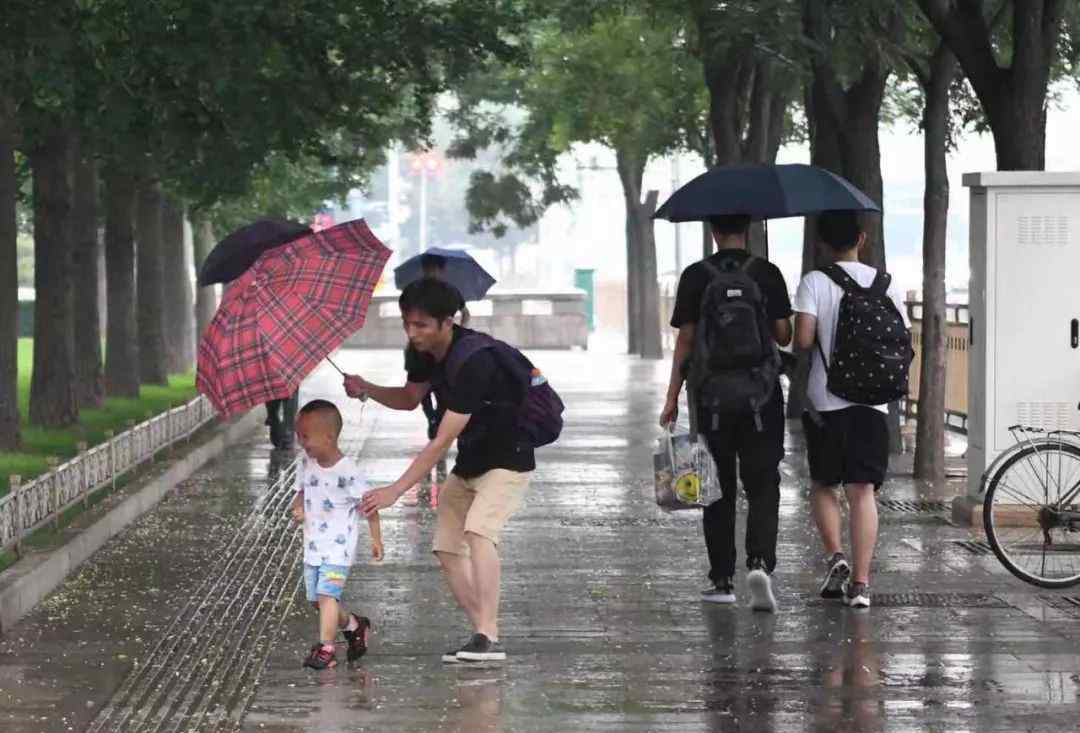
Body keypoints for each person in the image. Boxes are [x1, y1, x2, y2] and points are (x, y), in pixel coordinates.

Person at [344, 278, 533, 663]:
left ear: (448, 322)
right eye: (407, 324)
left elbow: (441, 441)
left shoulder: (473, 360)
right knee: (447, 549)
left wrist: (395, 489)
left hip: (508, 458)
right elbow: (410, 398)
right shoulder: (423, 353)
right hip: (472, 462)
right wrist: (366, 388)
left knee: (479, 531)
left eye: (422, 325)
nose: (412, 333)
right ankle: (483, 634)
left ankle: (487, 635)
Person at [660, 214, 792, 612]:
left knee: (714, 487)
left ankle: (721, 580)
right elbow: (784, 335)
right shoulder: (766, 272)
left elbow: (685, 340)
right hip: (761, 397)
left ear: (713, 232)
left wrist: (671, 397)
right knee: (763, 483)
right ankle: (759, 564)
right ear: (748, 231)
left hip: (710, 397)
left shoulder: (695, 275)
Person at [793, 211, 910, 610]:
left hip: (827, 402)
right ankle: (861, 585)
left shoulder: (815, 281)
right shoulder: (888, 285)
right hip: (874, 403)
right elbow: (903, 342)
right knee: (863, 492)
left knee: (824, 485)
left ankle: (836, 556)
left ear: (822, 243)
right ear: (861, 238)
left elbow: (804, 340)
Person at [290, 399, 384, 670]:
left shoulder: (348, 472)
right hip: (313, 547)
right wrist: (297, 510)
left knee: (327, 596)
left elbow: (370, 505)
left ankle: (327, 648)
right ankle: (354, 625)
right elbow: (301, 494)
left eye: (305, 436)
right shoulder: (305, 464)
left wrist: (376, 539)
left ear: (329, 436)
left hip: (338, 550)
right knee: (317, 601)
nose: (301, 442)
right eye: (299, 435)